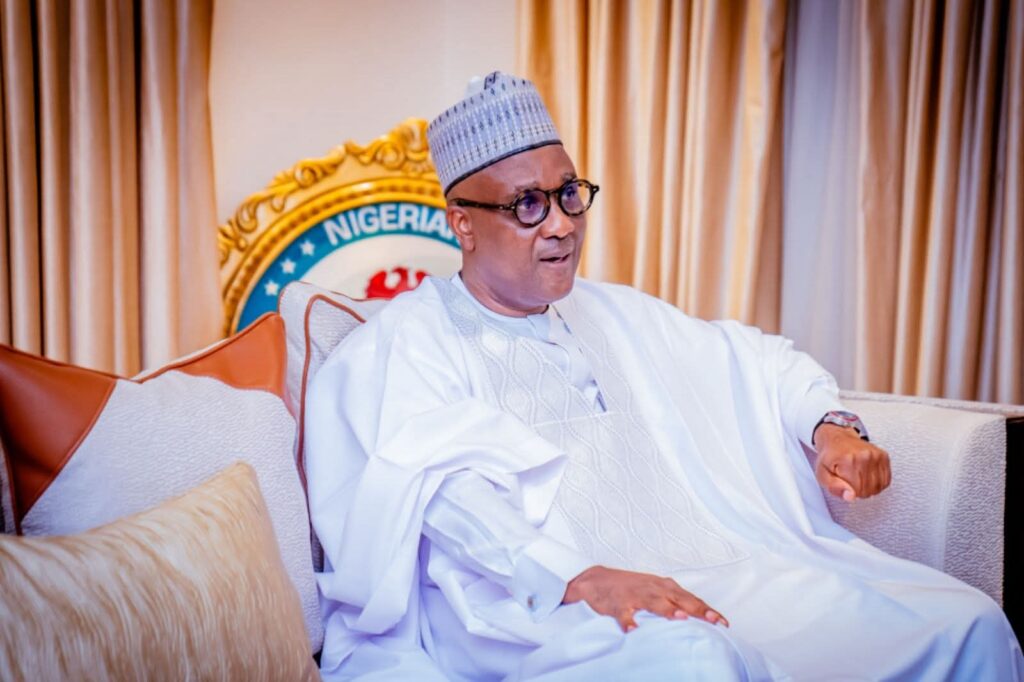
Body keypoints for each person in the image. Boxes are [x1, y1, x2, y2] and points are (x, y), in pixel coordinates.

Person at [306, 72, 1023, 680]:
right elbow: (440, 492)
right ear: (462, 223)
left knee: (965, 623)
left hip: (720, 565)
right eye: (527, 204)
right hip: (531, 605)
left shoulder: (615, 314)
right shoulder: (410, 341)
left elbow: (754, 361)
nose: (561, 225)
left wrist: (831, 427)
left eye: (568, 194)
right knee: (695, 660)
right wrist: (574, 576)